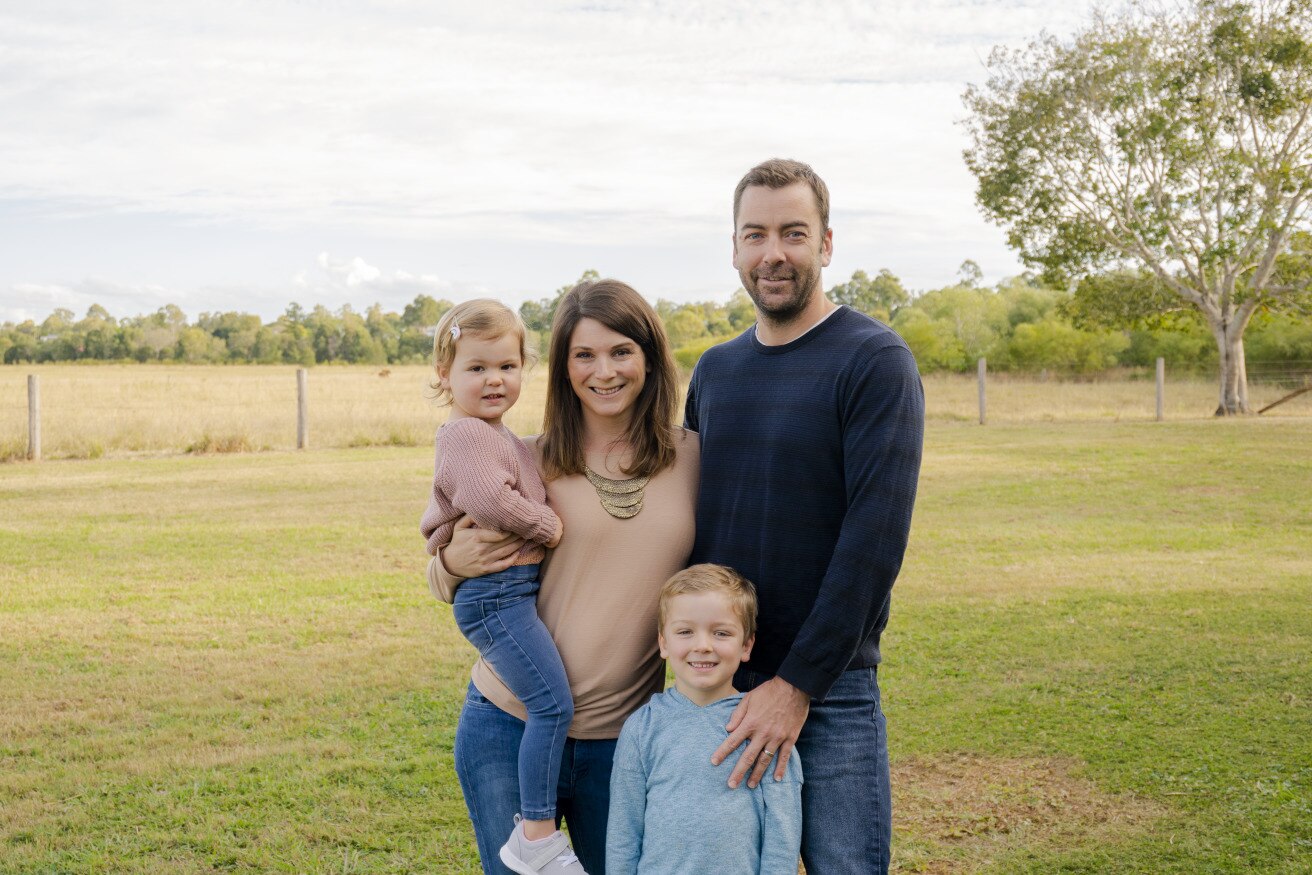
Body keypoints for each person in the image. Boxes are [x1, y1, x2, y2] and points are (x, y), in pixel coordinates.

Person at [683, 158, 924, 874]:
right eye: (755, 234)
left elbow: (873, 540)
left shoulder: (873, 360)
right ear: (734, 247)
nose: (773, 253)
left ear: (826, 243)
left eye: (793, 232)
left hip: (829, 691)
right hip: (716, 677)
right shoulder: (715, 371)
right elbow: (678, 515)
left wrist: (797, 686)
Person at [430, 279, 699, 874]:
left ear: (650, 357)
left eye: (621, 350)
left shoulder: (694, 460)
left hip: (621, 742)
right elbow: (453, 559)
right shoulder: (525, 460)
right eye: (584, 354)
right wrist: (447, 564)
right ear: (562, 367)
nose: (604, 371)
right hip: (508, 725)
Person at [419, 299, 576, 873]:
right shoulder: (467, 436)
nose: (494, 380)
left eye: (507, 367)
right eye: (477, 368)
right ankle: (535, 834)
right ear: (445, 374)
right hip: (496, 597)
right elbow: (487, 501)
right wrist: (548, 526)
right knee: (551, 704)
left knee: (550, 703)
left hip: (507, 594)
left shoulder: (502, 437)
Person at [606, 564, 802, 875]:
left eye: (721, 633)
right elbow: (624, 832)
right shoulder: (643, 727)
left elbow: (783, 836)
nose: (702, 645)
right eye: (685, 631)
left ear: (746, 645)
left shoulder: (764, 727)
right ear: (664, 643)